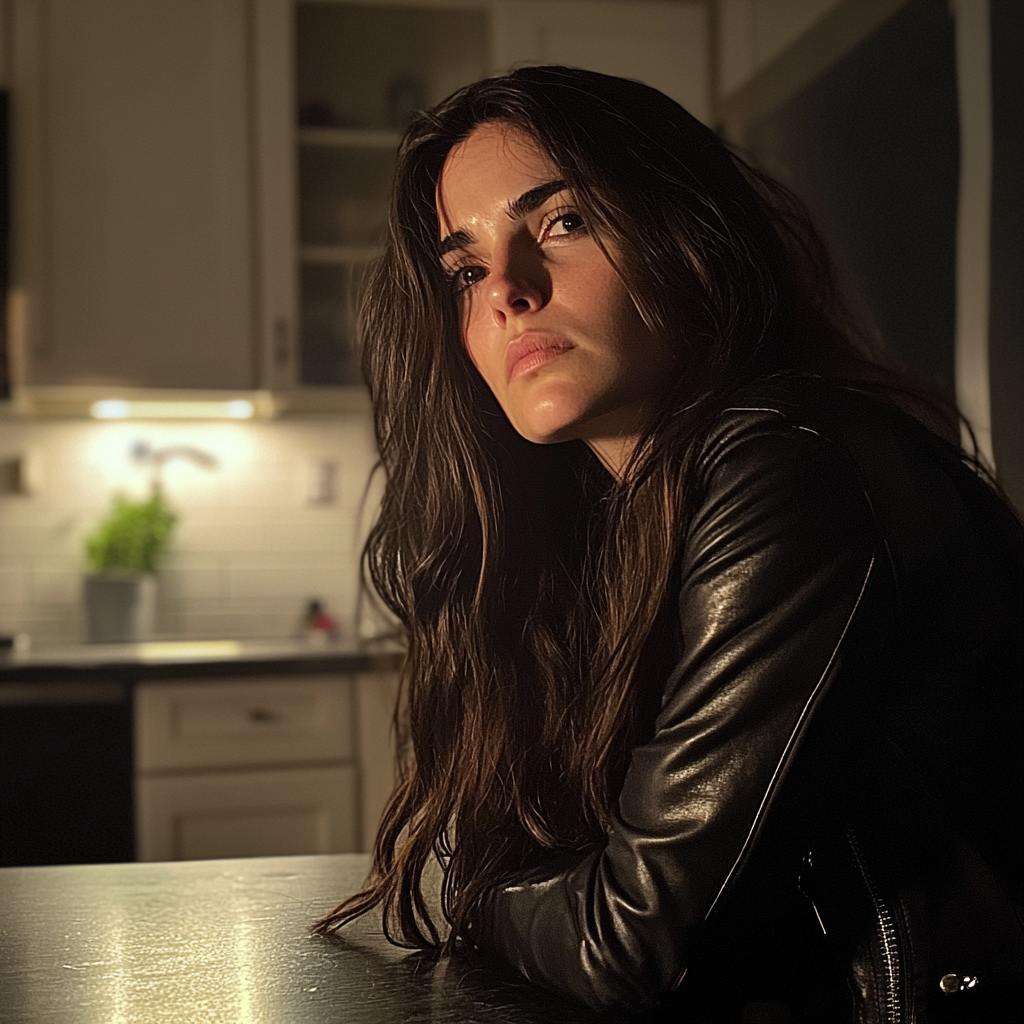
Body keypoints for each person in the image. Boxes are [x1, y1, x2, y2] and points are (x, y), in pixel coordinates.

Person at [315, 67, 1023, 1022]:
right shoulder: (615, 522)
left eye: (562, 223)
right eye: (467, 268)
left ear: (685, 229)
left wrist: (482, 889)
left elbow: (631, 938)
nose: (508, 294)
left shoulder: (787, 466)